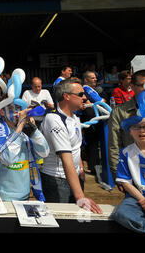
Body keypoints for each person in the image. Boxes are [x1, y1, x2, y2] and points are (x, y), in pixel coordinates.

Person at [40, 78, 102, 214]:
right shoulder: (54, 119)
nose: (85, 98)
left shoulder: (74, 117)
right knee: (62, 221)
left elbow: (75, 146)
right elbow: (66, 159)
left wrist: (80, 167)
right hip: (57, 180)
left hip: (73, 177)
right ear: (66, 96)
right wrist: (80, 196)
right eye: (80, 94)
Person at [112, 115, 145, 233]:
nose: (141, 130)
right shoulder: (126, 152)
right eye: (136, 127)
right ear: (130, 131)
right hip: (137, 198)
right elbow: (125, 182)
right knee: (122, 214)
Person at [108, 69, 145, 181]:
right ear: (132, 87)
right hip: (134, 175)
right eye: (143, 86)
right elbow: (114, 145)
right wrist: (118, 175)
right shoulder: (119, 112)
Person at [0, 104, 49, 201]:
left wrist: (33, 130)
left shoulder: (26, 132)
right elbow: (8, 158)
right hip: (3, 197)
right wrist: (19, 127)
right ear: (2, 112)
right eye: (11, 109)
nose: (16, 112)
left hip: (24, 195)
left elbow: (44, 153)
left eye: (19, 109)